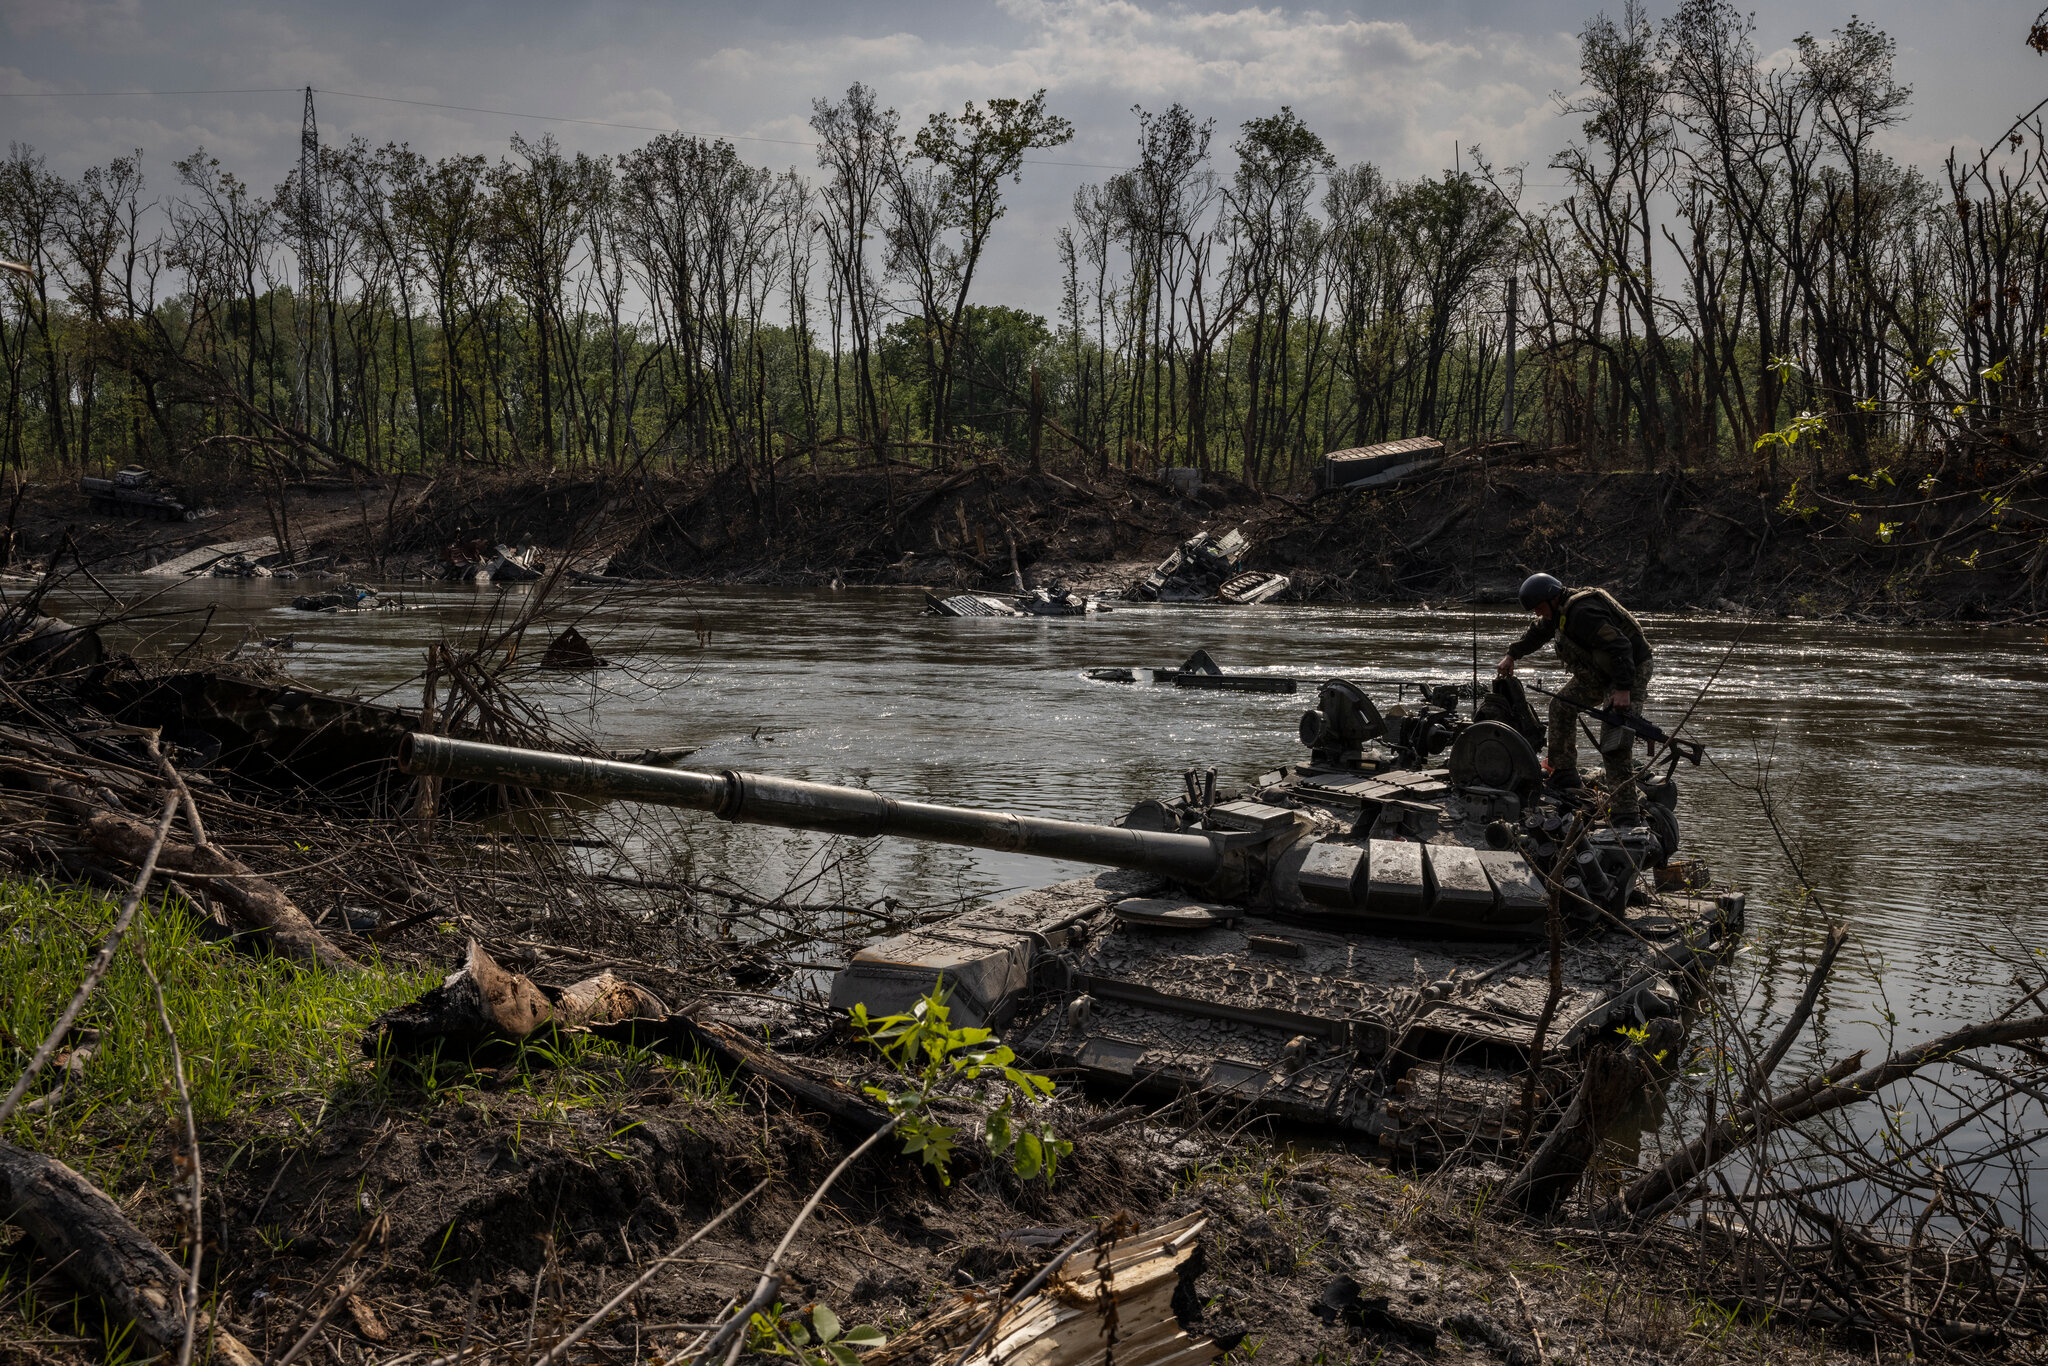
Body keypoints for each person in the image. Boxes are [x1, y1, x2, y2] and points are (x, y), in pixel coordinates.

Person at [1496, 573, 1654, 819]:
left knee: (1614, 741)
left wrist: (1623, 689)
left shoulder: (1583, 614)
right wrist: (1512, 655)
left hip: (1628, 670)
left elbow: (1622, 646)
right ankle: (1564, 772)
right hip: (1601, 672)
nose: (1538, 613)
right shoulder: (1558, 611)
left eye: (1539, 608)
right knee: (1561, 706)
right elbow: (1537, 633)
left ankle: (1626, 811)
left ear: (1552, 597)